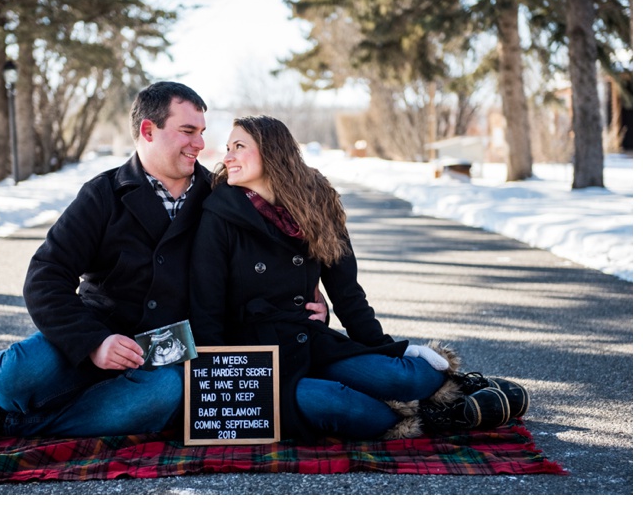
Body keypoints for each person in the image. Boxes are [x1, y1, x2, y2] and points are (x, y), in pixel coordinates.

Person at [0, 82, 324, 438]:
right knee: (21, 373)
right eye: (188, 131)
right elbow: (46, 275)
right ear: (148, 130)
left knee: (159, 398)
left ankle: (17, 423)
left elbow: (275, 249)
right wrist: (94, 343)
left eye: (202, 132)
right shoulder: (103, 193)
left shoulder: (220, 196)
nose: (200, 143)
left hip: (169, 350)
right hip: (94, 332)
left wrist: (309, 295)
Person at [189, 115, 529, 442]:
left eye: (238, 146)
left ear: (272, 153)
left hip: (309, 341)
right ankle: (438, 416)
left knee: (400, 377)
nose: (227, 156)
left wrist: (392, 350)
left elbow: (347, 292)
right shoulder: (219, 214)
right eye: (228, 147)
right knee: (340, 404)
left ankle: (453, 388)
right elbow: (207, 307)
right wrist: (216, 381)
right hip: (256, 360)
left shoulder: (316, 208)